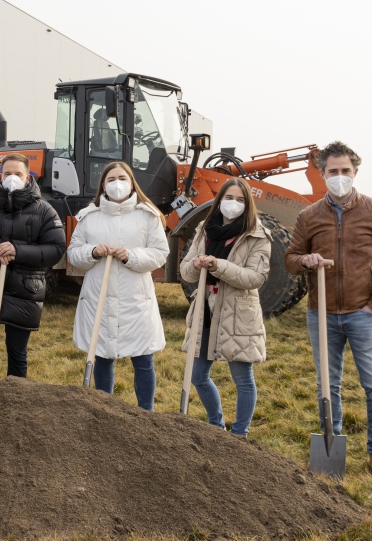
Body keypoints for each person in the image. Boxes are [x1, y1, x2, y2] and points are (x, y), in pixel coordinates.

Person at [285, 141, 372, 465]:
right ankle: (331, 445)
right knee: (327, 384)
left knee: (371, 383)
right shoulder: (308, 215)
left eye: (344, 171)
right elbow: (290, 259)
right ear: (322, 173)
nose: (339, 177)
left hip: (363, 311)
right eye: (332, 171)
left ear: (355, 172)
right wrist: (305, 260)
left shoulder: (370, 210)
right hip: (321, 313)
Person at [67, 161, 168, 411]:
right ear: (103, 185)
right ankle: (105, 411)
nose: (117, 183)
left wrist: (130, 255)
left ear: (132, 182)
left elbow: (159, 254)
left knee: (143, 358)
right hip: (98, 296)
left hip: (135, 299)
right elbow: (73, 253)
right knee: (102, 354)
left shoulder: (148, 215)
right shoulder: (89, 216)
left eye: (122, 178)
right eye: (111, 179)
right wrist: (92, 251)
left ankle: (146, 412)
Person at [0, 152, 66, 379]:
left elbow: (55, 249)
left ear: (28, 177)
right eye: (8, 173)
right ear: (0, 175)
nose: (12, 178)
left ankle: (16, 389)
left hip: (25, 283)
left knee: (17, 348)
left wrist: (17, 251)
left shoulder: (44, 211)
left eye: (18, 174)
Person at [181, 178, 270, 434]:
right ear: (219, 201)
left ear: (248, 204)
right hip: (205, 310)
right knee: (198, 375)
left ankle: (240, 434)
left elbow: (255, 278)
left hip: (238, 313)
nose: (233, 204)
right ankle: (216, 425)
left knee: (243, 379)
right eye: (228, 198)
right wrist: (196, 264)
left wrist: (218, 265)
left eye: (240, 200)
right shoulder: (204, 229)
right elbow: (186, 271)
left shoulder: (257, 235)